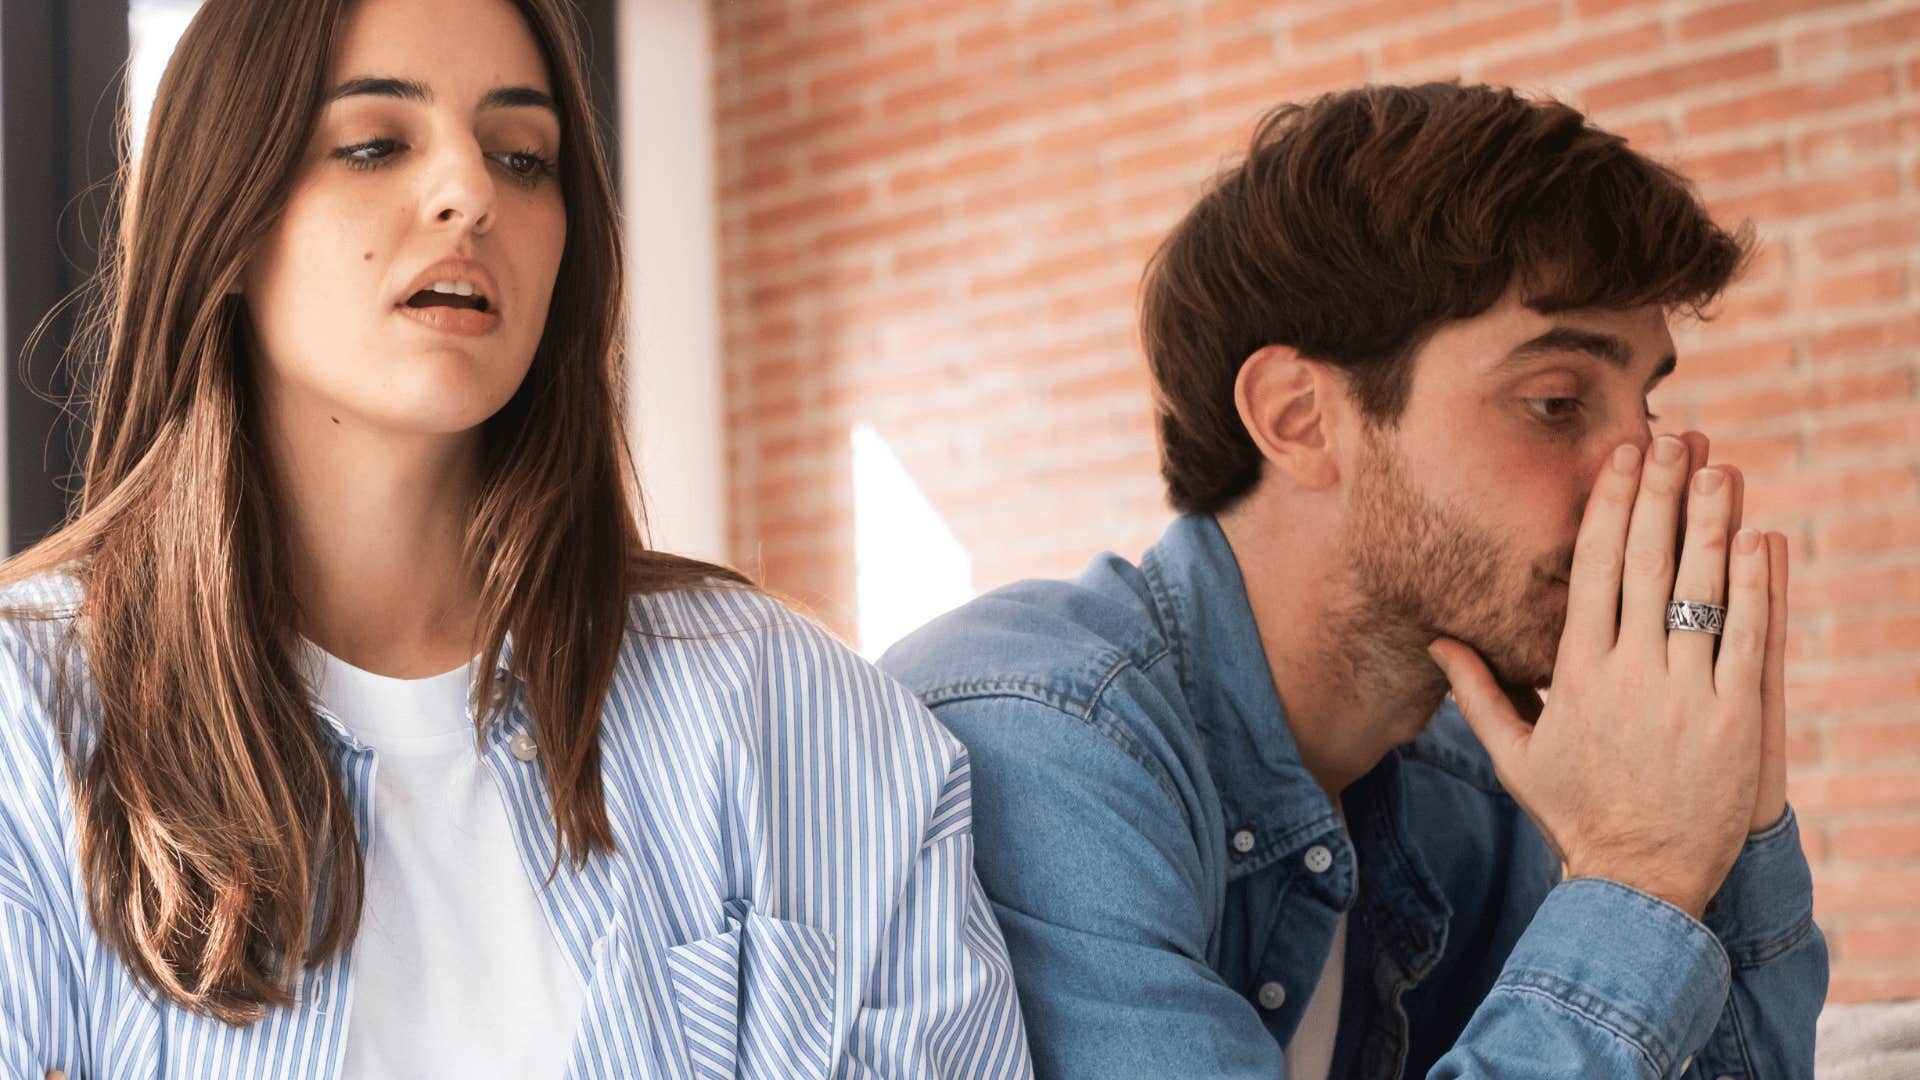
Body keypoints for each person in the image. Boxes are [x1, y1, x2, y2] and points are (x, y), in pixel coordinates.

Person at [0, 1, 1031, 1077]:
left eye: (523, 156)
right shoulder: (31, 731)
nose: (470, 192)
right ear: (225, 214)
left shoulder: (797, 716)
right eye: (373, 145)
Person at [881, 83, 1824, 1078]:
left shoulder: (1467, 789)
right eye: (1556, 402)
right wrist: (1637, 873)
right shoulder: (1039, 736)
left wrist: (1725, 817)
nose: (1638, 481)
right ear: (1297, 417)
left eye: (1647, 407)